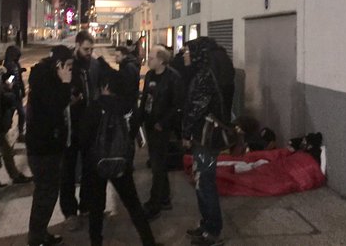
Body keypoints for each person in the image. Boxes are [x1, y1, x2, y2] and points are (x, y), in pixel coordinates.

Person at [80, 68, 161, 246]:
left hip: (97, 164)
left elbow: (83, 137)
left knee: (96, 208)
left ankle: (96, 242)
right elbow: (134, 131)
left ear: (105, 87)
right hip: (121, 163)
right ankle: (148, 241)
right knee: (133, 205)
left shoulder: (95, 107)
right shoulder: (127, 107)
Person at [182, 37, 233, 246]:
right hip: (206, 136)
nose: (184, 55)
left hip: (205, 138)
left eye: (187, 51)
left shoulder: (204, 77)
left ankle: (212, 231)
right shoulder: (208, 72)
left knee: (205, 182)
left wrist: (185, 133)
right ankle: (206, 225)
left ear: (197, 54)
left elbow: (196, 109)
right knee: (202, 181)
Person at [26, 45, 74, 246]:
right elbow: (54, 108)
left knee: (45, 193)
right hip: (45, 147)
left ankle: (39, 234)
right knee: (46, 194)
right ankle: (37, 237)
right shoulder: (48, 82)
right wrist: (65, 84)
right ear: (59, 65)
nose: (70, 69)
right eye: (68, 65)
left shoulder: (43, 78)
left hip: (46, 145)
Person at [60, 31, 100, 231]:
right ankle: (69, 212)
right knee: (67, 171)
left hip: (89, 126)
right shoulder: (68, 65)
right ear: (77, 46)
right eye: (86, 49)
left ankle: (86, 205)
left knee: (89, 169)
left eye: (91, 49)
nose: (89, 52)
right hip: (71, 128)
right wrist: (71, 100)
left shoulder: (94, 65)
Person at [139, 45, 184, 220]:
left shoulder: (173, 78)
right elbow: (145, 99)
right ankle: (164, 198)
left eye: (151, 58)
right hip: (150, 124)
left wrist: (163, 123)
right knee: (158, 163)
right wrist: (140, 119)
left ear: (161, 60)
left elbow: (177, 104)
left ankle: (155, 204)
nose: (148, 60)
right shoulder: (150, 75)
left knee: (157, 166)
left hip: (162, 127)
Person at [3, 45, 27, 141]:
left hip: (17, 93)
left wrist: (23, 90)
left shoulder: (16, 64)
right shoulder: (6, 65)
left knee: (22, 113)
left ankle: (20, 132)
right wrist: (12, 78)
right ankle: (7, 135)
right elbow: (7, 79)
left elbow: (19, 79)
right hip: (10, 94)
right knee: (10, 115)